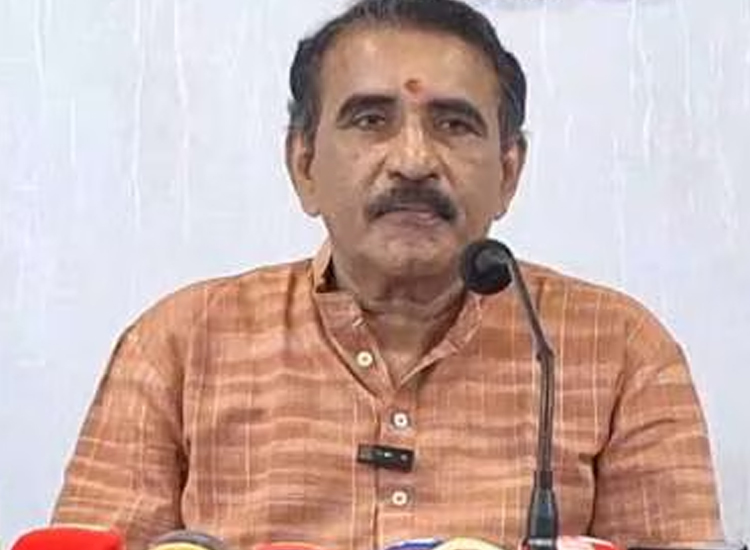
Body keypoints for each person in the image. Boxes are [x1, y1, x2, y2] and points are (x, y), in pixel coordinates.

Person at [51, 1, 722, 549]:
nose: (413, 160)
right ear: (304, 166)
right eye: (371, 120)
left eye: (454, 124)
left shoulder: (618, 349)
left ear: (508, 173)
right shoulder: (181, 343)